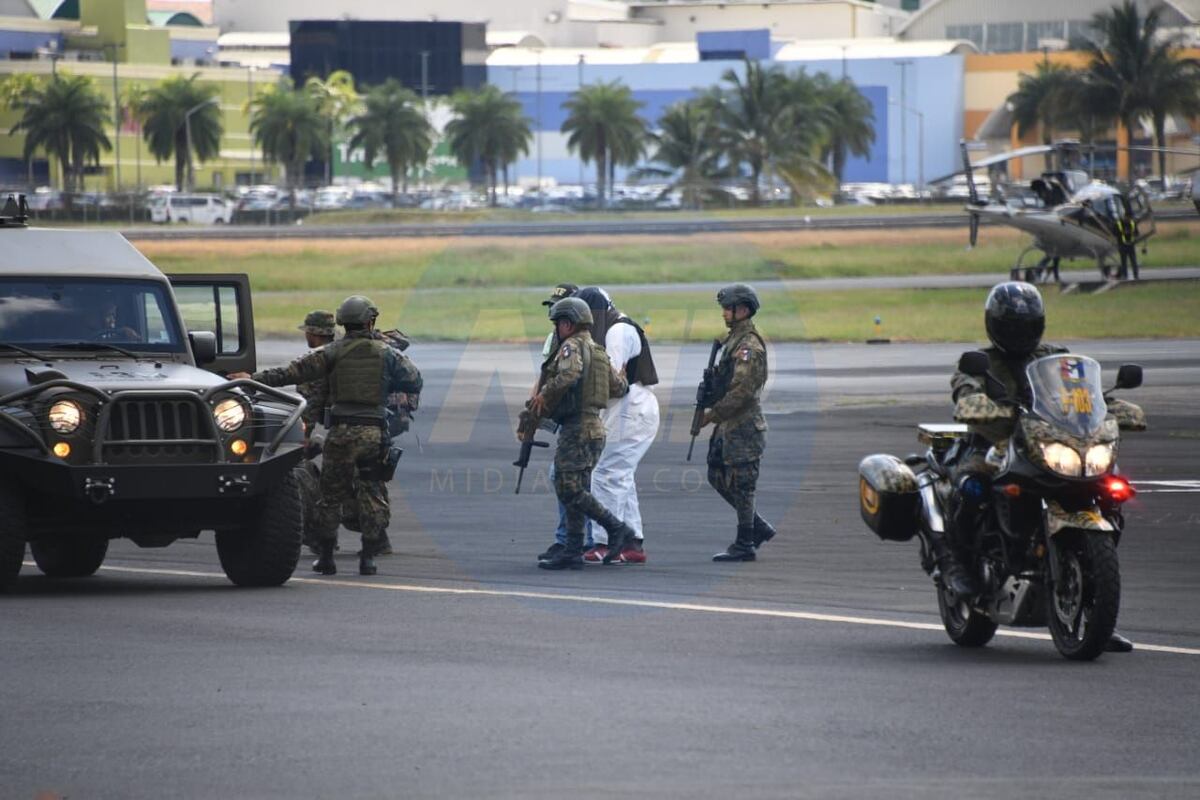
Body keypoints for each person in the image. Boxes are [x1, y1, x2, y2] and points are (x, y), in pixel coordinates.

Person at [948, 281, 1133, 652]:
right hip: (995, 444)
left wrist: (1112, 408)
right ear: (995, 325)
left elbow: (1084, 395)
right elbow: (965, 394)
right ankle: (959, 566)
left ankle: (1098, 615)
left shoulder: (1057, 357)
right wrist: (978, 405)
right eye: (1012, 325)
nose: (1020, 333)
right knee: (971, 486)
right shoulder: (978, 362)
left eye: (1027, 325)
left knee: (1110, 491)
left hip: (1052, 443)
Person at [230, 295, 422, 577]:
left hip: (341, 433)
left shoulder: (331, 353)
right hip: (374, 431)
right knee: (371, 493)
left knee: (330, 496)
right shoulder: (386, 353)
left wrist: (250, 378)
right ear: (370, 321)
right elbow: (414, 380)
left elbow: (289, 373)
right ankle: (369, 557)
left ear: (343, 322)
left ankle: (327, 558)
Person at [525, 297, 636, 570]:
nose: (556, 330)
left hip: (577, 428)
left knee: (568, 487)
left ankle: (616, 528)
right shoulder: (598, 351)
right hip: (595, 429)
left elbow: (568, 375)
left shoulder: (571, 347)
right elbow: (619, 387)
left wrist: (543, 396)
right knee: (575, 487)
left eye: (558, 324)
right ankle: (573, 550)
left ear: (567, 324)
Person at [572, 287, 660, 565]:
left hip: (631, 409)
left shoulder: (617, 332)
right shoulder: (616, 325)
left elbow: (612, 379)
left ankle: (604, 542)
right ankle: (632, 543)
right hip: (629, 408)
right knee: (621, 476)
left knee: (606, 474)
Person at [697, 283, 776, 562]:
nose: (723, 314)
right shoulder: (732, 341)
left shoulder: (748, 346)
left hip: (743, 425)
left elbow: (742, 391)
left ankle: (745, 542)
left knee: (743, 485)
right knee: (715, 474)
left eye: (727, 309)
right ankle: (758, 526)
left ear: (742, 310)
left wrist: (713, 414)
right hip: (729, 425)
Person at [293, 310, 336, 554]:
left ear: (314, 333)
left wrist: (303, 440)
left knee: (306, 476)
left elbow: (308, 407)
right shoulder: (346, 353)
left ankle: (320, 539)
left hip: (341, 433)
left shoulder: (316, 362)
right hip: (367, 427)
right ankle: (376, 538)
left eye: (307, 330)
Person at [1115, 213, 1139, 280]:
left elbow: (1137, 233)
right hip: (1122, 245)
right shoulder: (1118, 224)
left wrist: (1131, 233)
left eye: (1130, 218)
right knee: (1123, 262)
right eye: (1128, 218)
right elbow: (1114, 233)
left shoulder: (1132, 223)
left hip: (1131, 245)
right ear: (1124, 217)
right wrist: (1122, 233)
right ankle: (1125, 275)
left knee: (1133, 261)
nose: (1129, 220)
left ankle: (1136, 275)